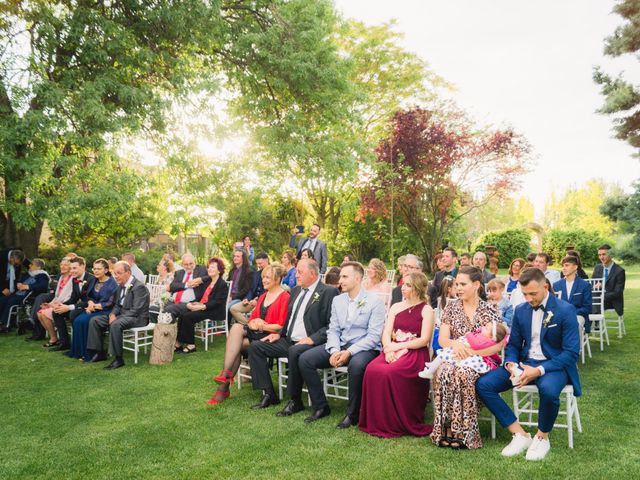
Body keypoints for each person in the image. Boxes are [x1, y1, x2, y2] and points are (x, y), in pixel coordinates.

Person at [476, 267, 581, 461]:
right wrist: (511, 363)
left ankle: (542, 438)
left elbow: (571, 353)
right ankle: (520, 434)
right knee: (484, 384)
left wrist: (539, 370)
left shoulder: (565, 310)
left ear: (546, 287)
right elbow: (514, 344)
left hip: (553, 365)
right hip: (525, 362)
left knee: (549, 392)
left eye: (533, 293)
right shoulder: (521, 310)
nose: (529, 298)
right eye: (525, 294)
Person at [243, 258, 338, 413]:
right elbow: (289, 319)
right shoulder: (295, 291)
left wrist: (312, 338)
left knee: (295, 351)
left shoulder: (328, 292)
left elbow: (332, 325)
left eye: (300, 272)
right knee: (256, 346)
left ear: (313, 274)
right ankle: (269, 394)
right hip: (288, 340)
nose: (296, 275)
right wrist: (278, 334)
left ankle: (295, 400)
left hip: (312, 342)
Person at [299, 262, 385, 428]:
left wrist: (349, 352)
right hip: (340, 345)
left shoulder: (375, 302)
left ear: (358, 278)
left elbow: (374, 336)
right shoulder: (338, 300)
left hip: (364, 347)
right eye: (341, 276)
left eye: (345, 276)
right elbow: (333, 329)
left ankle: (352, 414)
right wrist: (334, 350)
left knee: (356, 365)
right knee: (305, 359)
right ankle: (321, 406)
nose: (341, 280)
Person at [431, 266, 503, 449]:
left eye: (463, 284)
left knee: (463, 373)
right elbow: (443, 339)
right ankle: (446, 428)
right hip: (454, 355)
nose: (458, 288)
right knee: (443, 371)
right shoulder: (451, 307)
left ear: (477, 284)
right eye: (457, 284)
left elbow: (498, 344)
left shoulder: (488, 309)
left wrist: (472, 353)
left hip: (482, 360)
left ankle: (465, 431)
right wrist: (456, 344)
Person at [359, 271, 435, 438]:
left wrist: (398, 347)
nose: (402, 288)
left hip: (415, 353)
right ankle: (377, 420)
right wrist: (388, 348)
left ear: (417, 288)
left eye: (408, 285)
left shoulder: (426, 309)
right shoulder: (395, 307)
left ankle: (396, 421)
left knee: (389, 373)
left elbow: (424, 340)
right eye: (403, 284)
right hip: (392, 348)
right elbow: (386, 332)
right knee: (372, 369)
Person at [208, 263, 290, 405]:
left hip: (270, 336)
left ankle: (223, 387)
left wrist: (263, 325)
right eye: (263, 277)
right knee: (236, 328)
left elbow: (281, 326)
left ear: (277, 279)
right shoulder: (263, 296)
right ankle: (226, 375)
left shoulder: (285, 297)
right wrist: (254, 323)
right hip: (256, 333)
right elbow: (251, 321)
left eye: (267, 277)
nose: (263, 280)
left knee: (238, 345)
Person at [86, 261, 150, 370]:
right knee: (95, 320)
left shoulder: (139, 287)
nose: (116, 276)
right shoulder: (120, 285)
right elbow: (117, 304)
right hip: (123, 316)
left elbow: (136, 310)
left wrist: (117, 318)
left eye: (119, 273)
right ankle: (100, 352)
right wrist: (112, 314)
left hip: (138, 318)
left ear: (128, 272)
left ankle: (118, 359)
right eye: (115, 273)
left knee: (115, 324)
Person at [165, 257, 229, 354]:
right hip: (202, 306)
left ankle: (191, 345)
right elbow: (200, 296)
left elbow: (217, 302)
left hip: (213, 310)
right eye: (209, 267)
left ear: (219, 270)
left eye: (213, 267)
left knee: (188, 317)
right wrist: (193, 303)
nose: (209, 269)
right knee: (183, 313)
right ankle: (178, 343)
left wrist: (202, 306)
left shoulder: (222, 284)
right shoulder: (207, 282)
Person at [66, 259, 118, 362]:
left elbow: (111, 302)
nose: (96, 271)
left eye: (99, 269)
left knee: (85, 321)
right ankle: (79, 352)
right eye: (94, 269)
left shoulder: (112, 283)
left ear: (106, 270)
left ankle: (90, 353)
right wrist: (90, 303)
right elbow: (89, 296)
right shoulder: (94, 280)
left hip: (106, 311)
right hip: (93, 308)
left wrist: (96, 306)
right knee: (78, 320)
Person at [419, 321, 507, 379]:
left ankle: (430, 372)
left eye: (486, 328)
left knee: (444, 355)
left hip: (469, 355)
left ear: (491, 336)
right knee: (444, 354)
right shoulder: (486, 337)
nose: (483, 328)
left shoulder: (486, 340)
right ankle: (432, 365)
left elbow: (475, 344)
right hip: (463, 349)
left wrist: (469, 334)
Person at [48, 257, 96, 351]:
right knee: (57, 312)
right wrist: (62, 305)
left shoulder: (91, 279)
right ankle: (64, 343)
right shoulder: (75, 279)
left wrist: (69, 307)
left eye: (75, 268)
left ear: (83, 267)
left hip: (91, 307)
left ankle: (79, 344)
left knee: (73, 313)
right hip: (80, 305)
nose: (72, 271)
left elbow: (90, 300)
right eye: (71, 268)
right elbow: (73, 298)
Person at [26, 257, 74, 341]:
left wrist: (53, 304)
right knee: (40, 312)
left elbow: (67, 296)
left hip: (65, 303)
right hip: (56, 300)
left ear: (71, 266)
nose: (62, 267)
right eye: (61, 265)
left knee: (43, 312)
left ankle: (54, 338)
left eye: (65, 265)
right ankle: (53, 337)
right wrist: (50, 303)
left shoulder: (72, 278)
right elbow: (56, 293)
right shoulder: (61, 277)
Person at [0, 258, 49, 330]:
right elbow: (19, 281)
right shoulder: (27, 274)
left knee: (12, 301)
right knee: (2, 299)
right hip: (18, 293)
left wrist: (27, 286)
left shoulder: (43, 276)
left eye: (32, 264)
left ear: (38, 267)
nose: (29, 265)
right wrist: (19, 284)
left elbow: (42, 286)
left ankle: (5, 324)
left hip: (28, 296)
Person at [554, 256, 593, 332]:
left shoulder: (585, 285)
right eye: (563, 266)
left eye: (567, 265)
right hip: (560, 316)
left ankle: (575, 344)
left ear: (575, 267)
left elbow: (587, 308)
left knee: (575, 324)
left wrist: (571, 313)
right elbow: (553, 304)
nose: (564, 268)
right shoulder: (556, 285)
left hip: (578, 316)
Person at [229, 252, 268, 325]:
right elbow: (251, 289)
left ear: (267, 261)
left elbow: (269, 291)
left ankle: (252, 327)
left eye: (260, 263)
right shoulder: (256, 274)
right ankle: (249, 325)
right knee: (233, 309)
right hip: (251, 301)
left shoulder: (273, 273)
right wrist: (247, 298)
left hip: (265, 302)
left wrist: (257, 300)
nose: (258, 266)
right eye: (257, 264)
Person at [592, 244, 625, 317]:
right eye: (599, 255)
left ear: (611, 255)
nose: (601, 257)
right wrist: (595, 286)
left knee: (594, 301)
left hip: (612, 302)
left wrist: (602, 296)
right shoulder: (597, 268)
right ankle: (596, 321)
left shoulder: (619, 271)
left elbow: (618, 292)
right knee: (588, 300)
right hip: (598, 299)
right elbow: (592, 285)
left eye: (604, 254)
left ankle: (595, 323)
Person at [226, 249, 254, 319]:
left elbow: (246, 289)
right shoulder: (232, 271)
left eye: (238, 256)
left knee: (227, 308)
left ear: (243, 258)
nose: (235, 258)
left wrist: (232, 297)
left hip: (240, 298)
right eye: (234, 256)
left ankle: (228, 328)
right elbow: (228, 285)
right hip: (229, 297)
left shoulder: (248, 272)